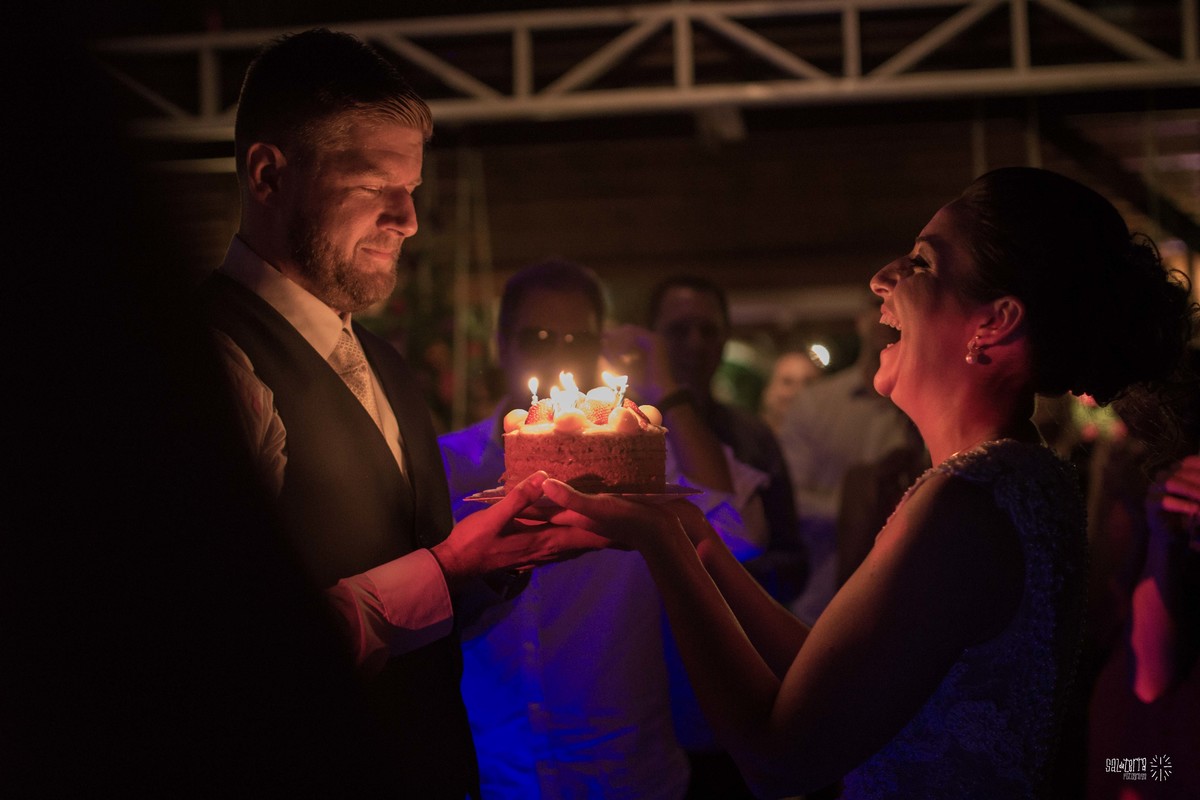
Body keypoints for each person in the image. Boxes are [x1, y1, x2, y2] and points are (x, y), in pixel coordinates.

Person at [541, 167, 1196, 798]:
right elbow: (836, 681)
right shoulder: (1010, 478)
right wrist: (698, 540)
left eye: (923, 263)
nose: (883, 279)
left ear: (993, 322)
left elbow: (778, 759)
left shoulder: (969, 505)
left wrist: (661, 547)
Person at [197, 31, 604, 799]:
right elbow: (214, 655)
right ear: (268, 175)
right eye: (374, 185)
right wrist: (446, 567)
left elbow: (420, 634)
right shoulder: (213, 362)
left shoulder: (383, 364)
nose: (408, 219)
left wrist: (501, 559)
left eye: (411, 188)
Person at [438, 259, 771, 799]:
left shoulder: (634, 465)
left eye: (578, 336)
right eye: (539, 336)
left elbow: (741, 531)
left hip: (627, 774)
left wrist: (667, 389)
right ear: (502, 345)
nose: (560, 350)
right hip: (495, 773)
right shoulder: (448, 464)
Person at [647, 275, 808, 606]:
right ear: (653, 339)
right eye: (679, 330)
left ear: (724, 338)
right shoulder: (624, 436)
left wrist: (729, 582)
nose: (695, 343)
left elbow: (791, 558)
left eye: (708, 331)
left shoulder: (753, 436)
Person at [776, 300, 918, 625]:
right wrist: (860, 505)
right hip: (816, 596)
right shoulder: (815, 403)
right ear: (864, 320)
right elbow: (790, 497)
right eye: (884, 311)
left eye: (904, 313)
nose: (893, 323)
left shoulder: (919, 407)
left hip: (901, 603)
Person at [760, 349, 822, 435]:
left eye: (808, 383)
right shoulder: (743, 438)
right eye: (787, 382)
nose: (798, 391)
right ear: (768, 389)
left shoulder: (826, 443)